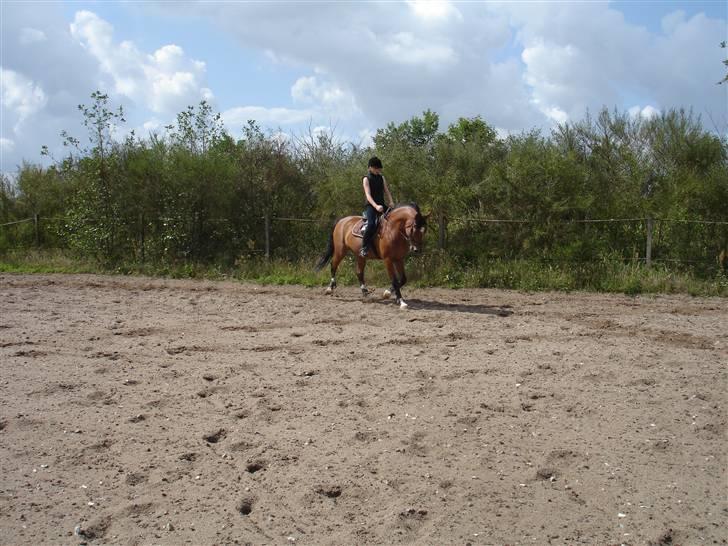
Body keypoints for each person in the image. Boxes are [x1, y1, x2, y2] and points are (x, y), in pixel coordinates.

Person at [360, 156, 394, 257]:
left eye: (379, 168)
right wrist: (376, 206)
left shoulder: (381, 177)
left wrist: (391, 202)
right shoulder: (366, 179)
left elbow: (387, 191)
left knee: (395, 219)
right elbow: (368, 195)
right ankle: (364, 247)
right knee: (371, 224)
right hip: (371, 206)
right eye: (376, 168)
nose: (378, 170)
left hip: (382, 205)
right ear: (370, 167)